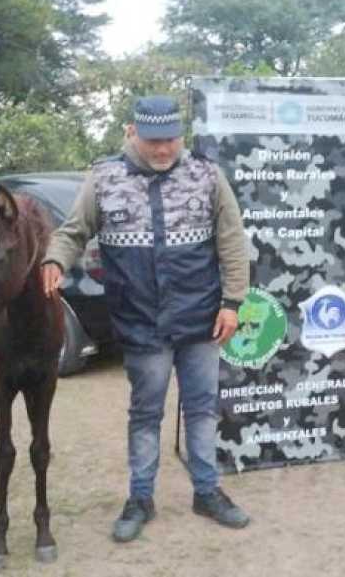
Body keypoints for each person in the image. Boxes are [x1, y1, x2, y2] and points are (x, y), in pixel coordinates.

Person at [42, 95, 250, 542]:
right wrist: (55, 260)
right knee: (145, 414)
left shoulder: (207, 176)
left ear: (182, 136)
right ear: (131, 132)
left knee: (200, 409)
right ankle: (140, 498)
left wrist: (233, 303)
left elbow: (233, 241)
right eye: (153, 140)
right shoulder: (103, 178)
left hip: (201, 320)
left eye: (172, 140)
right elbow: (73, 231)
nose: (163, 150)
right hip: (141, 323)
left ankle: (207, 491)